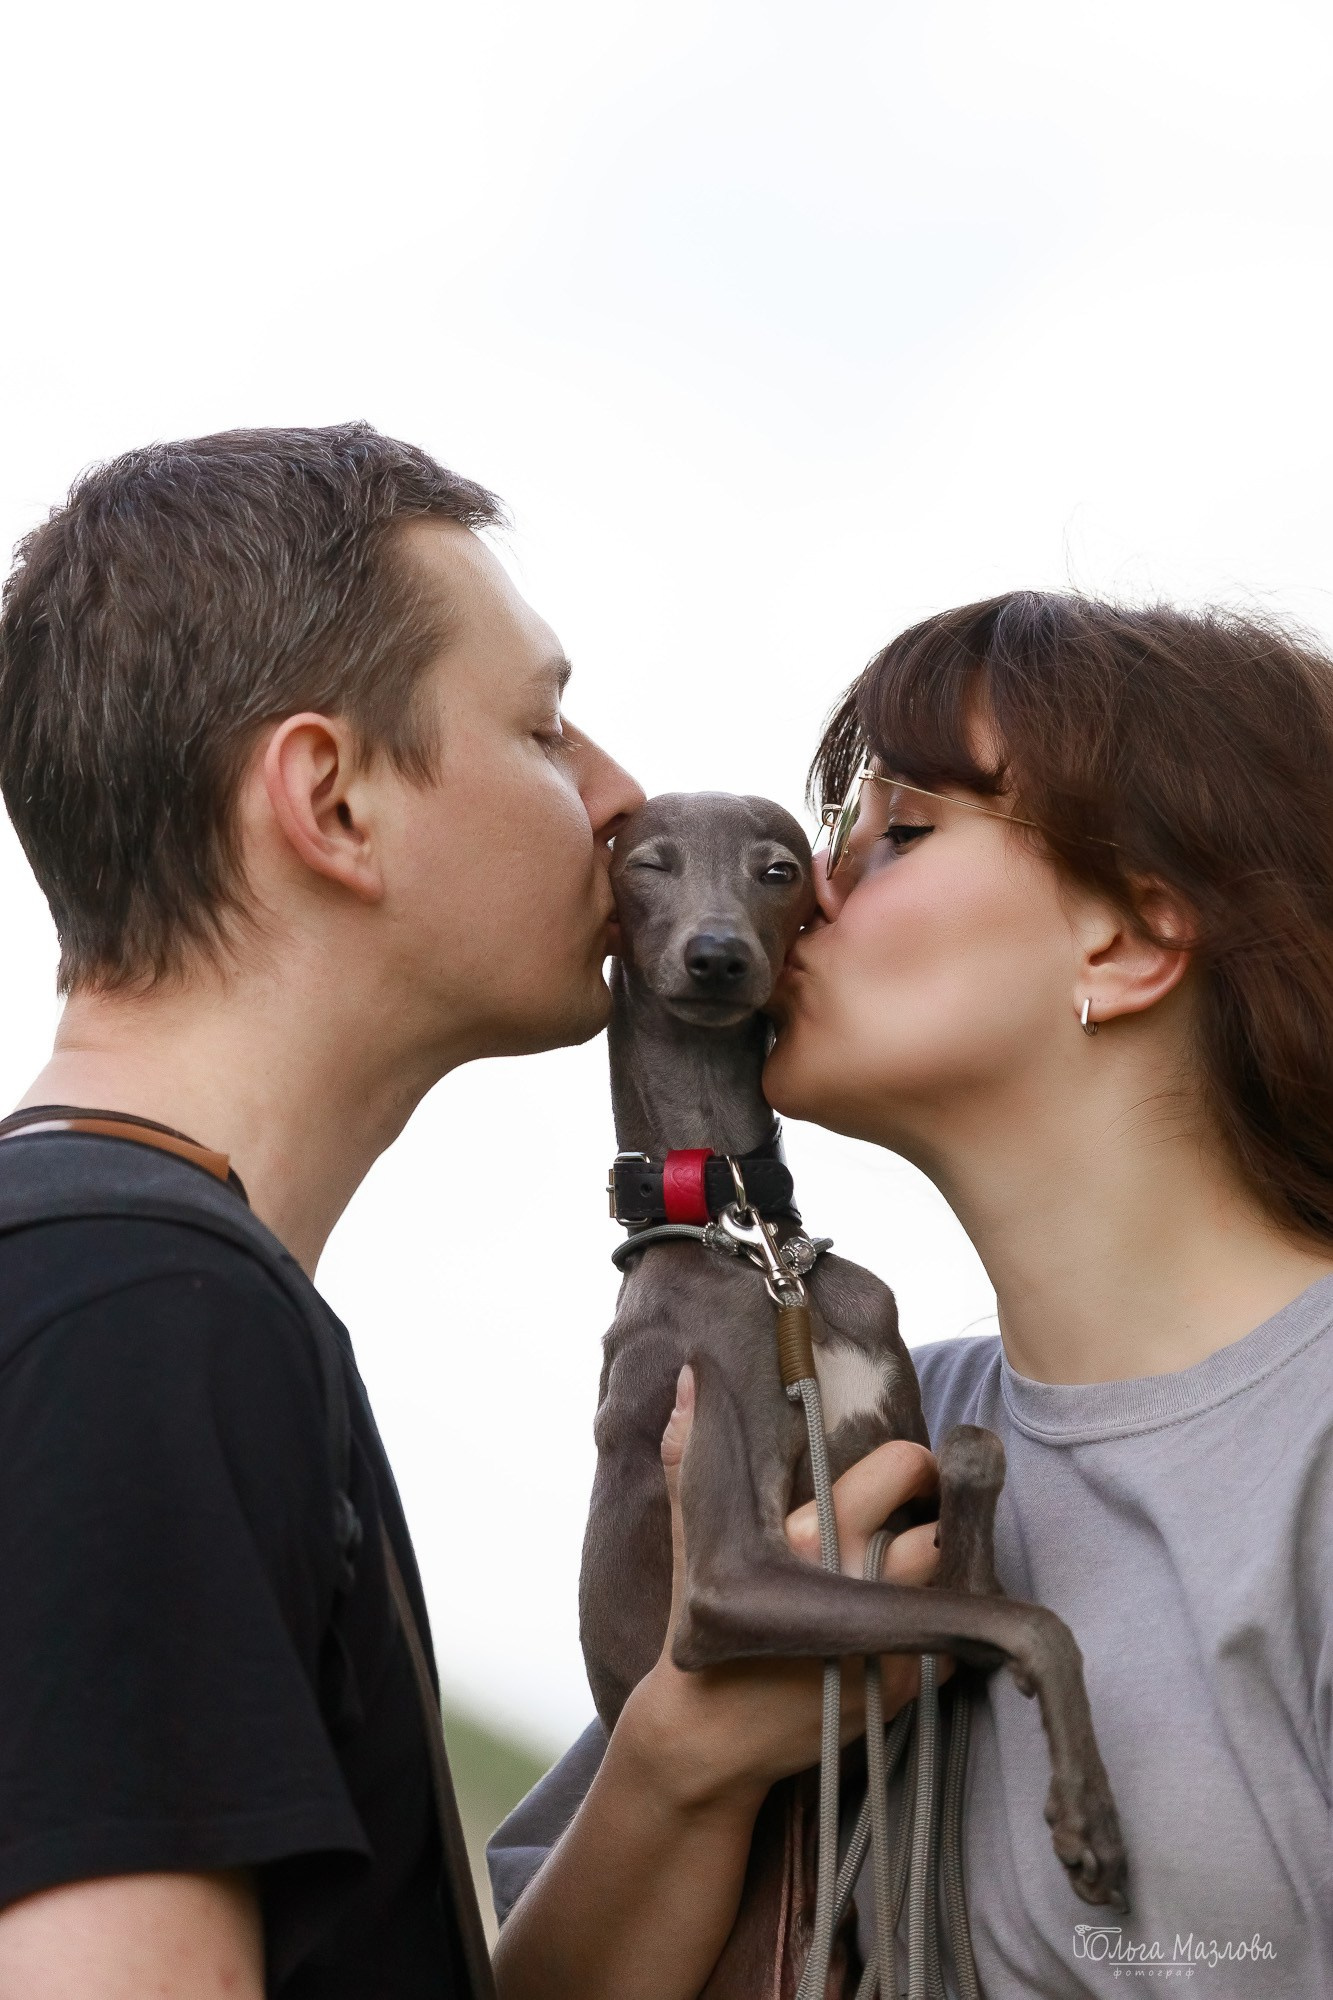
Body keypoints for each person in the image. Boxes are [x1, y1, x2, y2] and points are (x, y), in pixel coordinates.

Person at [0, 424, 925, 2000]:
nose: (617, 793)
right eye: (546, 728)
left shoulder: (139, 1282)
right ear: (331, 799)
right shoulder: (135, 1310)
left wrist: (674, 1764)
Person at [489, 592, 1333, 1999]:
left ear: (1123, 943)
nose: (812, 893)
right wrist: (680, 1760)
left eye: (898, 833)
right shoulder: (875, 1415)